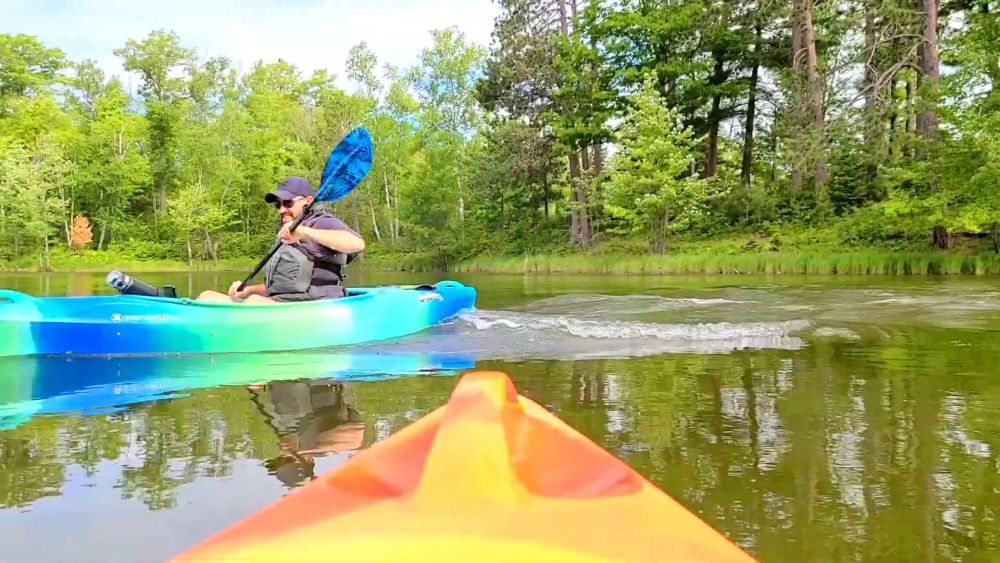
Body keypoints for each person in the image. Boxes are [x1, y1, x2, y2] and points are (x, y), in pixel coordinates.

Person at [197, 176, 365, 304]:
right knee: (207, 297)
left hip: (316, 305)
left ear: (308, 201)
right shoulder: (284, 233)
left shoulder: (321, 222)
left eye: (288, 203)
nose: (281, 210)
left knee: (255, 303)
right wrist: (247, 291)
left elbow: (357, 243)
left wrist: (304, 232)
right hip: (285, 303)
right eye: (278, 205)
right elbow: (282, 286)